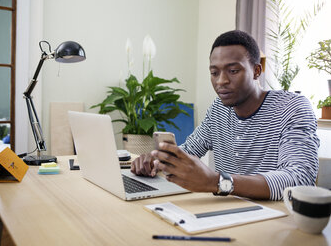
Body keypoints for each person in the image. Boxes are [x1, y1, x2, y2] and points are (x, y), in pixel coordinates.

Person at [131, 30, 320, 201]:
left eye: (233, 71)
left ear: (256, 71)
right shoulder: (219, 110)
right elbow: (189, 150)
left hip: (276, 219)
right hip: (227, 210)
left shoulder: (293, 107)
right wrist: (156, 161)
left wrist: (217, 182)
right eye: (214, 72)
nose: (221, 81)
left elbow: (299, 179)